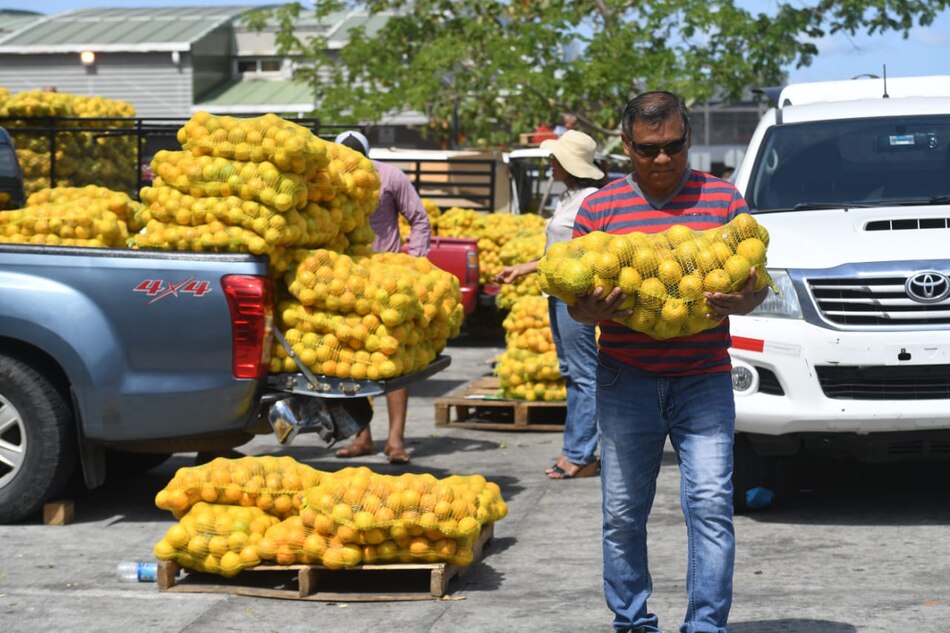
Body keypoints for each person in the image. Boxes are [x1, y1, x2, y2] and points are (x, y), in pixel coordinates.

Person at [567, 92, 769, 633]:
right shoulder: (599, 210)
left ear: (689, 138)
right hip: (625, 379)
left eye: (674, 146)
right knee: (622, 511)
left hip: (703, 377)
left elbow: (757, 287)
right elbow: (576, 305)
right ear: (625, 145)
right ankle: (633, 622)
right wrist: (587, 310)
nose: (662, 159)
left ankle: (706, 625)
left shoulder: (724, 200)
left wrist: (745, 301)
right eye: (647, 149)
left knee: (711, 504)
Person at [492, 129, 605, 480]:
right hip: (556, 294)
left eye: (556, 158)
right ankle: (574, 448)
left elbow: (594, 253)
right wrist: (523, 269)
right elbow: (557, 255)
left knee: (584, 375)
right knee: (571, 372)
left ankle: (581, 454)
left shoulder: (590, 200)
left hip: (576, 298)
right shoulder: (567, 198)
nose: (551, 163)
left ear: (571, 164)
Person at [331, 130, 432, 464]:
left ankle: (395, 441)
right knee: (351, 361)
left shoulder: (390, 177)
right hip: (346, 281)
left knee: (393, 360)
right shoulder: (332, 179)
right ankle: (362, 438)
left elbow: (419, 219)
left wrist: (414, 262)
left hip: (387, 280)